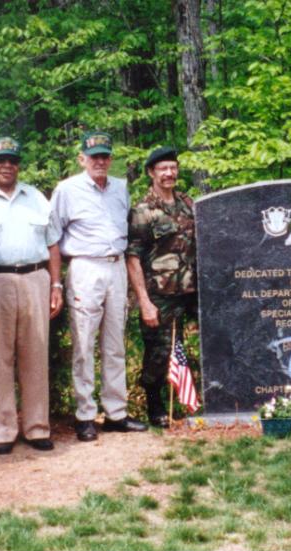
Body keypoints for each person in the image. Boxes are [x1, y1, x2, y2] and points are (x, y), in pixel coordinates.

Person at [49, 131, 147, 441]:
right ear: (82, 159)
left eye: (105, 156)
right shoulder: (67, 190)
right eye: (94, 157)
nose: (100, 162)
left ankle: (116, 412)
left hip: (115, 266)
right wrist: (57, 280)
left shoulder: (120, 187)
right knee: (84, 344)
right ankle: (85, 415)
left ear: (111, 159)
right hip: (84, 267)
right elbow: (52, 236)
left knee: (115, 343)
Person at [0, 137, 62, 454]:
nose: (7, 166)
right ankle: (2, 431)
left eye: (12, 160)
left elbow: (53, 244)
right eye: (0, 160)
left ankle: (37, 428)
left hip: (36, 279)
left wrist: (56, 285)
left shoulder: (36, 197)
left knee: (35, 355)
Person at [126, 146, 198, 427]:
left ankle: (193, 401)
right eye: (162, 169)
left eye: (173, 168)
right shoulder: (143, 211)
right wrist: (144, 301)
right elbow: (132, 258)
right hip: (159, 294)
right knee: (159, 351)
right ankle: (155, 408)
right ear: (151, 173)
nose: (169, 173)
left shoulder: (187, 204)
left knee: (189, 347)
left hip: (191, 291)